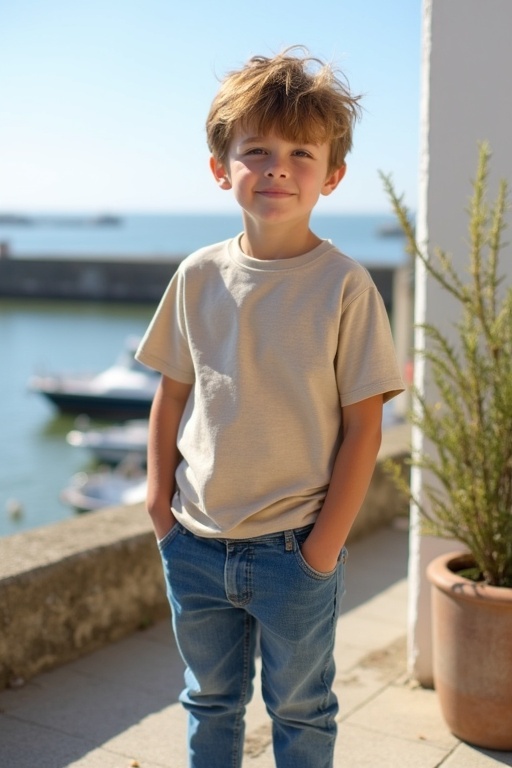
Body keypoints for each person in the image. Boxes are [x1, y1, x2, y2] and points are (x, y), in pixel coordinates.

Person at [136, 46, 404, 768]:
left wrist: (322, 549)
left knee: (301, 708)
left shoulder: (346, 288)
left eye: (300, 152)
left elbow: (364, 428)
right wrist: (159, 505)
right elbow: (172, 390)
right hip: (193, 540)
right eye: (255, 151)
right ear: (223, 168)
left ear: (332, 174)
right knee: (208, 701)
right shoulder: (197, 276)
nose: (277, 167)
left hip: (296, 549)